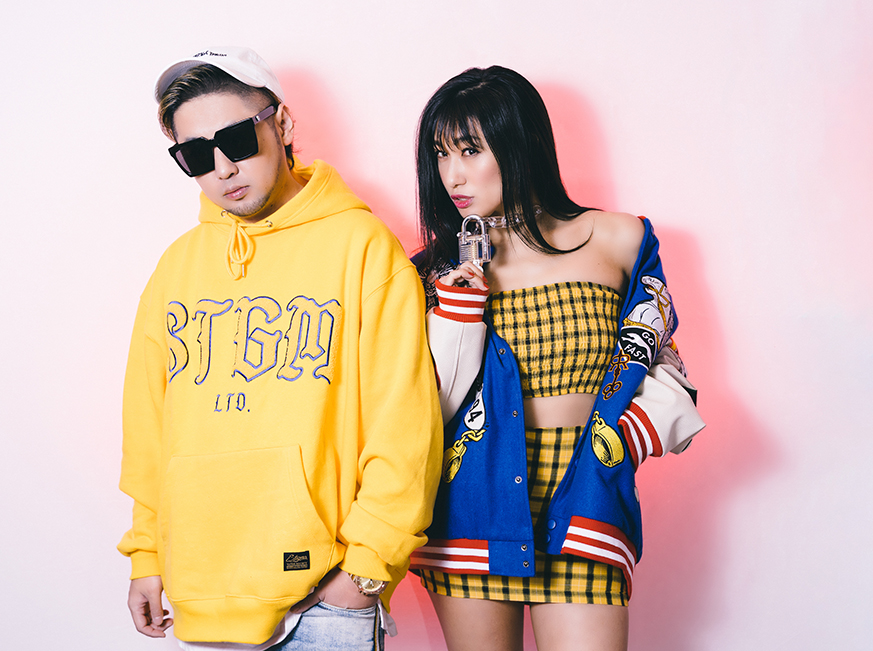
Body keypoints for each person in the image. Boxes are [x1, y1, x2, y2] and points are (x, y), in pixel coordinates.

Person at [117, 47, 443, 651]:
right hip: (202, 597)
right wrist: (147, 556)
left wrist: (367, 569)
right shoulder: (177, 268)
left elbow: (405, 424)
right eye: (196, 155)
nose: (223, 168)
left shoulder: (362, 248)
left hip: (324, 603)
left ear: (284, 124)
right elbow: (149, 431)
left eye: (237, 139)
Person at [407, 66, 705, 650]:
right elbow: (421, 412)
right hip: (471, 504)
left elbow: (663, 362)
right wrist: (458, 311)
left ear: (520, 143)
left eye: (470, 149)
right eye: (440, 155)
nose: (452, 175)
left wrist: (620, 445)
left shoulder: (618, 240)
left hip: (585, 495)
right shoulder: (432, 273)